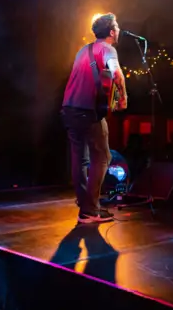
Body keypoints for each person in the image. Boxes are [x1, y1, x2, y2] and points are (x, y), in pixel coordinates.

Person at [61, 13, 127, 223]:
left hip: (69, 108)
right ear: (110, 32)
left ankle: (85, 207)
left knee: (79, 159)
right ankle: (91, 208)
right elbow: (116, 73)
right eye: (116, 27)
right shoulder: (108, 49)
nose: (118, 30)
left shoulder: (83, 50)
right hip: (88, 111)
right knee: (103, 157)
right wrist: (123, 97)